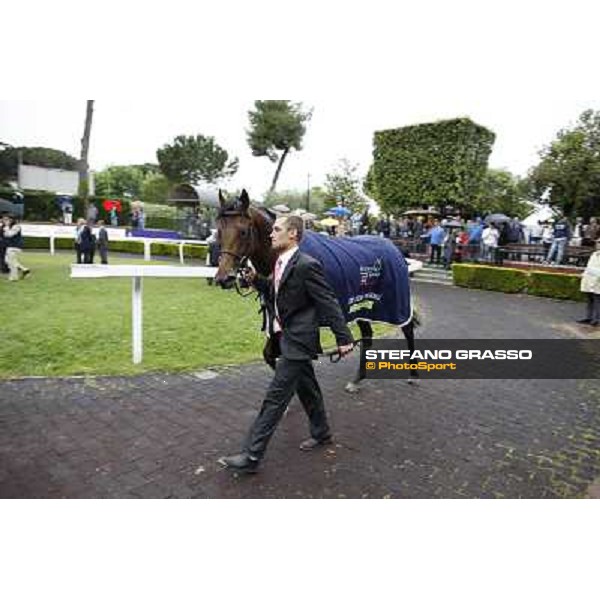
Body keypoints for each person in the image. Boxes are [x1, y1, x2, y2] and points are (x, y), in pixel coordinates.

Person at [219, 215, 354, 474]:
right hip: (289, 337)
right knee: (308, 390)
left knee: (274, 399)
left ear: (293, 234)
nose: (271, 234)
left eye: (277, 230)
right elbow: (276, 291)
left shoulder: (307, 264)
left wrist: (343, 337)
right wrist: (256, 280)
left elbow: (327, 301)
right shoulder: (281, 262)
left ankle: (251, 456)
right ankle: (322, 432)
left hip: (298, 341)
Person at [576, 238, 600, 326]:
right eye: (597, 243)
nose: (597, 244)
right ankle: (589, 317)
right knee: (590, 299)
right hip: (589, 279)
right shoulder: (594, 254)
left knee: (597, 300)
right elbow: (589, 266)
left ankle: (596, 319)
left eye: (599, 243)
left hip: (598, 280)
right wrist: (584, 274)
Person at [2, 215, 30, 281]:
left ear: (11, 220)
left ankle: (14, 277)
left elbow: (10, 234)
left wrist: (6, 228)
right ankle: (25, 270)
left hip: (14, 246)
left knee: (11, 262)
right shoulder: (9, 227)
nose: (5, 221)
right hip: (10, 246)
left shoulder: (16, 226)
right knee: (7, 260)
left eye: (7, 220)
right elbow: (6, 235)